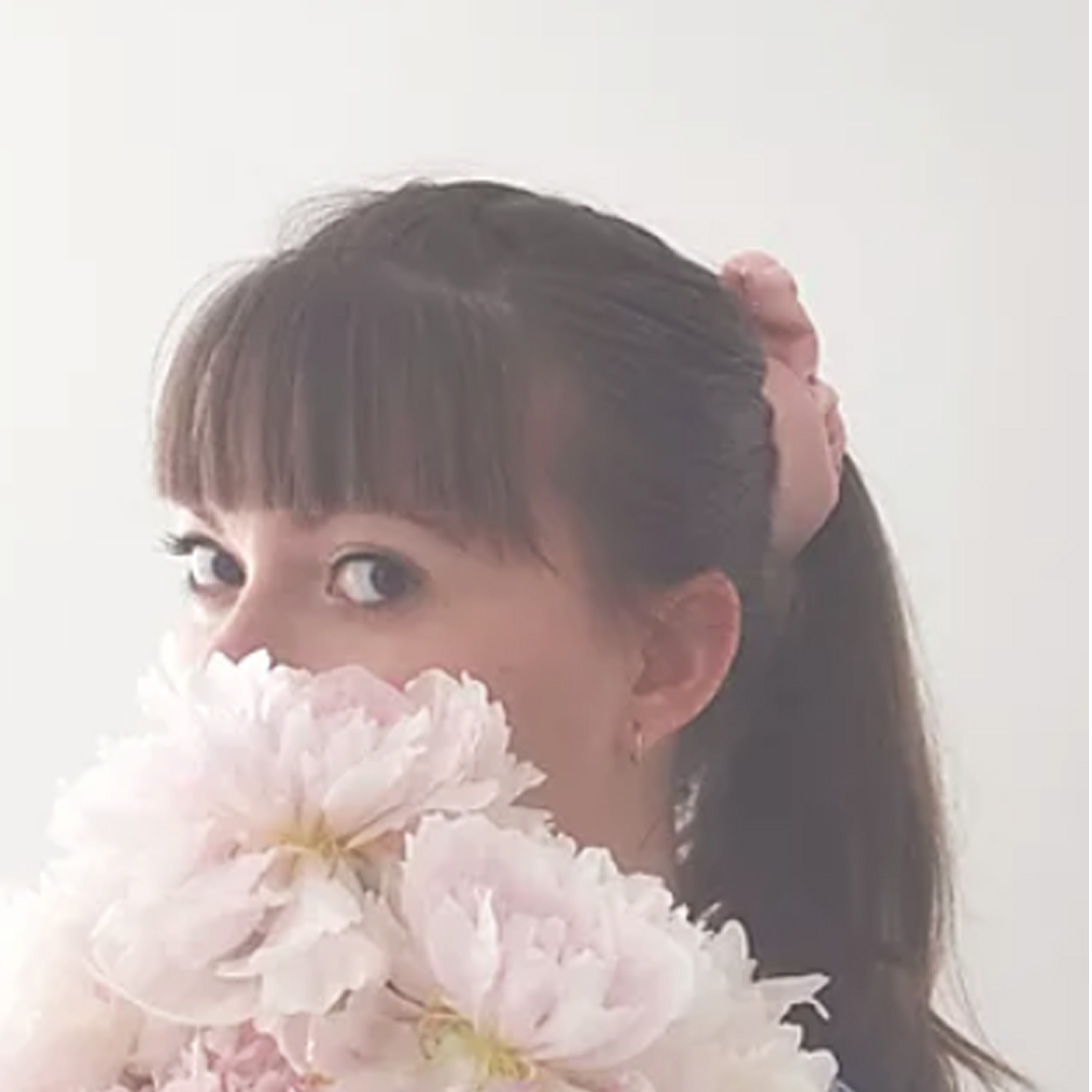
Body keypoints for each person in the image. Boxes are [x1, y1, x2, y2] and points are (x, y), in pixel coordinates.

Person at [153, 180, 1021, 1091]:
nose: (231, 660)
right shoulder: (122, 1037)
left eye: (374, 576)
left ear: (664, 659)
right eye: (212, 564)